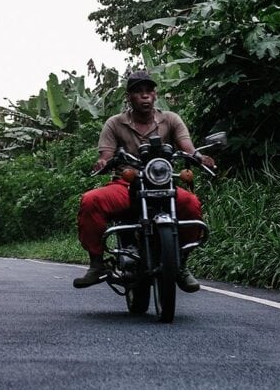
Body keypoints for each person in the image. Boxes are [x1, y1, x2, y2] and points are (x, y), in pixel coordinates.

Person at [73, 70, 213, 292]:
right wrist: (102, 162)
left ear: (155, 95)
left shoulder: (171, 119)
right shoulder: (114, 123)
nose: (145, 96)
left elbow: (188, 149)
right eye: (138, 92)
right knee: (91, 201)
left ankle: (181, 263)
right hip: (126, 184)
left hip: (163, 183)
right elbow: (105, 155)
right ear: (128, 97)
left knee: (191, 204)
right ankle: (97, 264)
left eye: (149, 91)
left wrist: (199, 157)